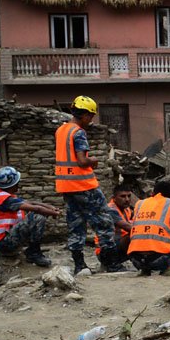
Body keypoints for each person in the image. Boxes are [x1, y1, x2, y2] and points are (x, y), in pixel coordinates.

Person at [55, 96, 122, 275]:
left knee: (76, 225)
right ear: (83, 114)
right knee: (104, 223)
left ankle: (79, 265)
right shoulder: (78, 133)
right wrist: (93, 160)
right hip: (84, 185)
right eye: (90, 116)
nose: (91, 120)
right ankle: (111, 264)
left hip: (66, 187)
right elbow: (82, 161)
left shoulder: (61, 130)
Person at [0, 166, 62, 267]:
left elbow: (31, 202)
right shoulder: (5, 200)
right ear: (12, 184)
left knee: (37, 214)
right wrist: (53, 213)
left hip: (5, 240)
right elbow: (35, 209)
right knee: (37, 217)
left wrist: (50, 207)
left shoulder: (5, 196)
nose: (18, 184)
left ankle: (32, 251)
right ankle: (33, 253)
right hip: (4, 244)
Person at [128, 179, 170, 275]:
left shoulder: (139, 204)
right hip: (159, 261)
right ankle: (167, 269)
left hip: (136, 260)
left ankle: (144, 270)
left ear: (153, 193)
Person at [96, 184, 137, 265]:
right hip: (105, 251)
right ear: (114, 198)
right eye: (123, 196)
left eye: (129, 196)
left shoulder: (127, 210)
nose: (127, 199)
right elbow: (129, 227)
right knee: (133, 236)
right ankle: (112, 264)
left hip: (116, 246)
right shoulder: (110, 210)